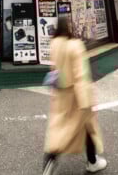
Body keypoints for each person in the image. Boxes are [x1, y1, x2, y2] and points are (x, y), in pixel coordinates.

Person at [43, 16, 106, 174]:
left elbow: (53, 71)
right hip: (76, 96)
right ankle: (92, 162)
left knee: (61, 130)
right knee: (85, 127)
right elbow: (81, 75)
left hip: (60, 96)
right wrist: (87, 101)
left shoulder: (54, 44)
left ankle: (51, 158)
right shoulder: (75, 45)